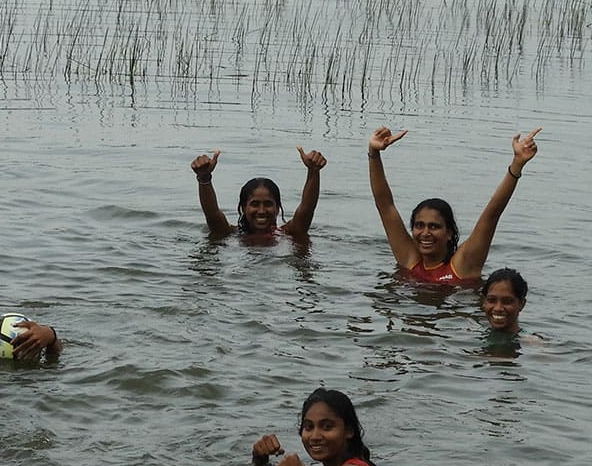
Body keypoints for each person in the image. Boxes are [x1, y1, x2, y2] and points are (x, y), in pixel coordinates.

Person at [367, 126, 541, 285]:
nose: (425, 233)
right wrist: (374, 153)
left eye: (434, 227)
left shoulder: (463, 264)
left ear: (449, 233)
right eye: (419, 226)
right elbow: (385, 205)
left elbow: (492, 214)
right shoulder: (409, 259)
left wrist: (517, 165)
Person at [250, 388, 382, 466]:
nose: (315, 436)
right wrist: (260, 459)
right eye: (308, 427)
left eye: (327, 427)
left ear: (349, 431)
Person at [191, 147, 325, 241]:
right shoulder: (230, 234)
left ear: (278, 208)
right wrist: (204, 178)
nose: (261, 211)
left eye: (268, 204)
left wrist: (313, 171)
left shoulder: (289, 233)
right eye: (255, 204)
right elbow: (212, 213)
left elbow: (307, 209)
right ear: (244, 208)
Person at [481, 267, 529, 333]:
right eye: (491, 300)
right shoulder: (475, 334)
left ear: (521, 304)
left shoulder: (532, 342)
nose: (498, 308)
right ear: (484, 301)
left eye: (507, 302)